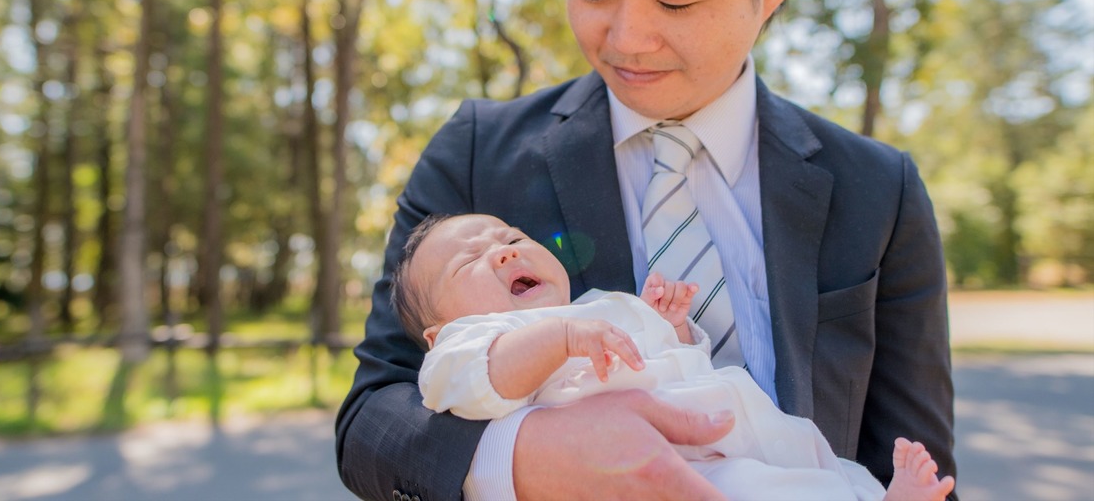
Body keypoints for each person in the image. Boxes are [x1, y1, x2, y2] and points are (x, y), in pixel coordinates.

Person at [335, 0, 956, 500]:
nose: (626, 39)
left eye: (675, 2)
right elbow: (373, 416)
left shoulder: (877, 192)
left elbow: (922, 463)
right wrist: (523, 457)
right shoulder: (477, 155)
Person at [394, 213, 956, 501]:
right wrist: (560, 338)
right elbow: (475, 379)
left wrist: (670, 324)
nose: (504, 250)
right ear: (439, 332)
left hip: (742, 431)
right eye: (470, 261)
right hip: (674, 469)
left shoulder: (600, 305)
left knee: (817, 469)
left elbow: (676, 358)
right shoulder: (466, 345)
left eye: (508, 236)